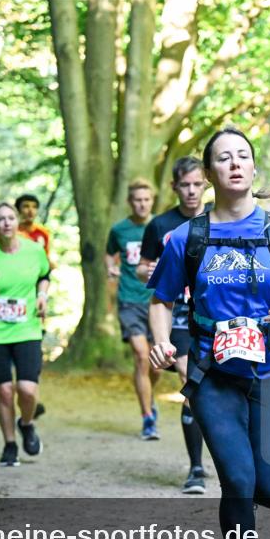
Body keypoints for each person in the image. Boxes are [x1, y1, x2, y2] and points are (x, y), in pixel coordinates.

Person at [148, 127, 270, 539]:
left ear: (254, 169)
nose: (235, 164)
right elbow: (160, 300)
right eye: (224, 158)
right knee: (238, 481)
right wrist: (163, 342)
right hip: (212, 374)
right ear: (209, 173)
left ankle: (253, 515)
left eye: (243, 156)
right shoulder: (187, 238)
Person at [137, 156, 209, 494]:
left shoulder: (220, 221)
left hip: (214, 316)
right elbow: (143, 266)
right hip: (177, 315)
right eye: (186, 185)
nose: (192, 191)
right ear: (174, 187)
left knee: (212, 388)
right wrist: (149, 272)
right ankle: (196, 467)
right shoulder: (160, 225)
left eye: (197, 184)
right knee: (189, 379)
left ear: (206, 183)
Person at [0, 203, 50, 466]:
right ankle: (10, 444)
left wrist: (42, 295)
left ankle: (26, 423)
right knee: (4, 391)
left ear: (17, 221)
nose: (6, 223)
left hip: (27, 329)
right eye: (0, 219)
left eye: (10, 218)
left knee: (26, 389)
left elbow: (45, 276)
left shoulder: (34, 251)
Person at [106, 179, 160, 440]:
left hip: (158, 302)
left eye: (146, 199)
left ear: (152, 201)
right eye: (137, 200)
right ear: (130, 202)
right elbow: (109, 252)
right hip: (129, 299)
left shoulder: (161, 227)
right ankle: (147, 416)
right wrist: (110, 267)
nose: (142, 204)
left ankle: (150, 397)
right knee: (141, 355)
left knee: (156, 365)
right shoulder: (119, 230)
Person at [15, 193, 51, 418]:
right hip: (12, 295)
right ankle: (20, 393)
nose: (29, 210)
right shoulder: (10, 231)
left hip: (37, 294)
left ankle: (31, 394)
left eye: (34, 207)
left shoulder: (44, 234)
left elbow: (45, 265)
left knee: (33, 343)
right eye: (25, 206)